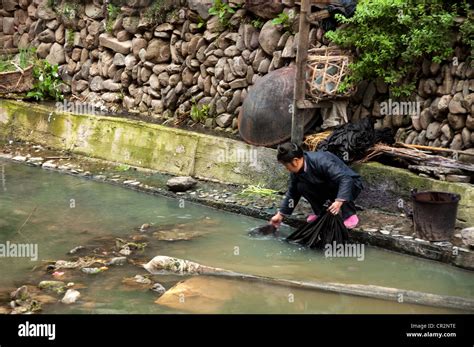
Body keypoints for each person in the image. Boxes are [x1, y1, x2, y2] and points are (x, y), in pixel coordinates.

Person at [270, 142, 363, 229]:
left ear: (295, 161)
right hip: (326, 187)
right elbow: (293, 193)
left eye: (286, 166)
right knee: (301, 186)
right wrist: (280, 214)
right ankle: (320, 212)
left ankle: (349, 214)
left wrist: (339, 201)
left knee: (337, 182)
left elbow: (345, 179)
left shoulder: (321, 161)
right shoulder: (296, 172)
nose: (286, 169)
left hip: (350, 184)